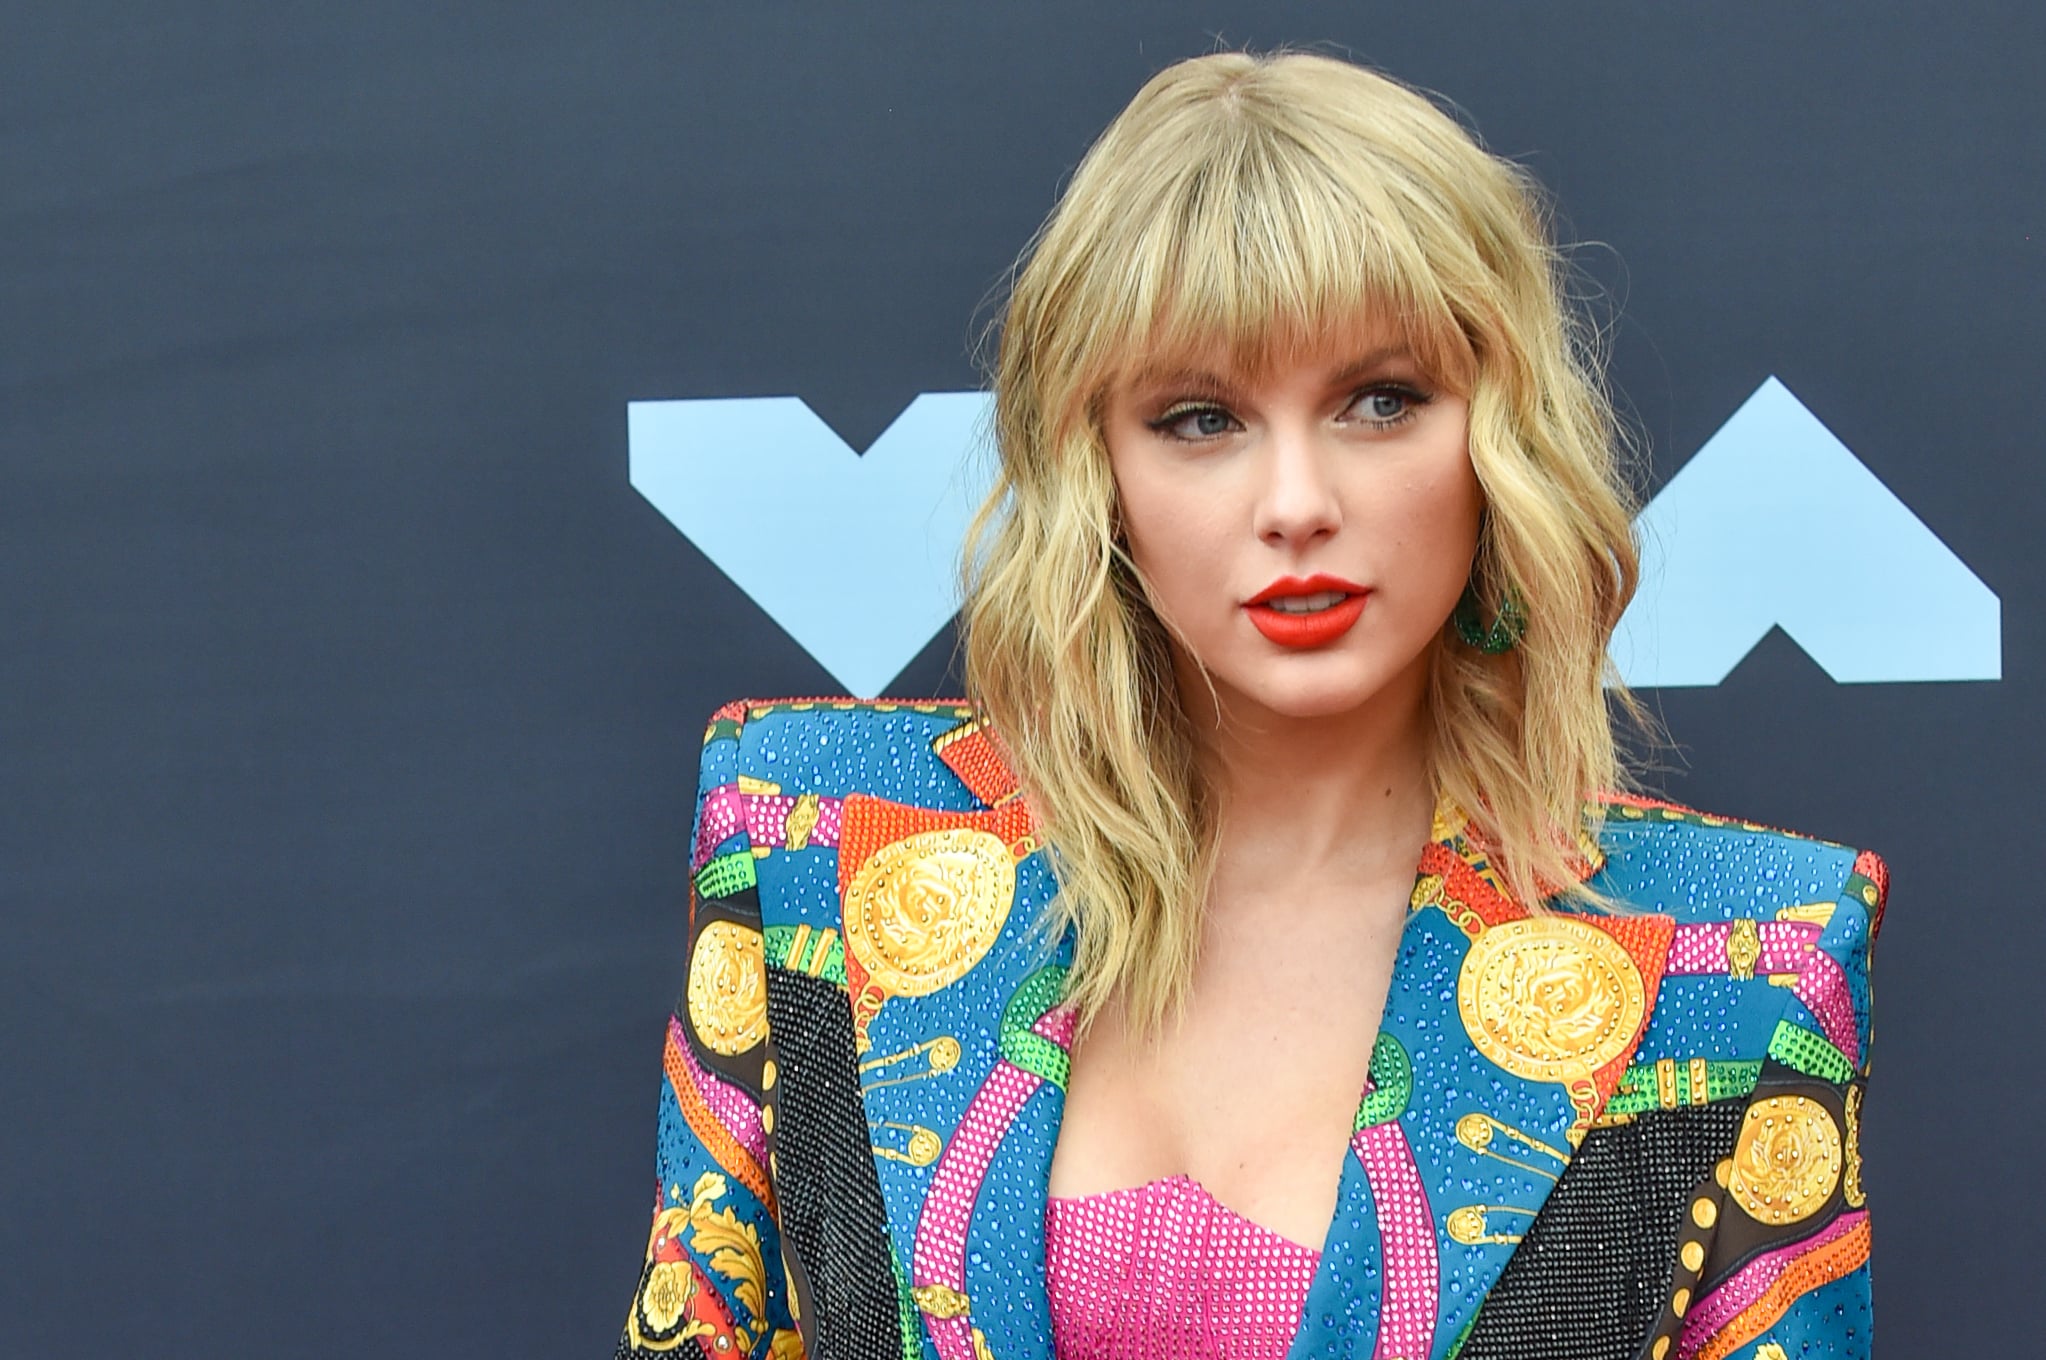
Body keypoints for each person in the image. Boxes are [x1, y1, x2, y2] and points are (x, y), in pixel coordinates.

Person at [614, 49, 1882, 1360]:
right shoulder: (810, 844)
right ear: (1090, 462)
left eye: (1379, 402)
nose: (1294, 503)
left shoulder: (1735, 968)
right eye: (1200, 417)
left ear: (1497, 435)